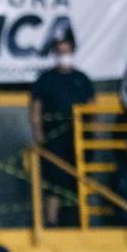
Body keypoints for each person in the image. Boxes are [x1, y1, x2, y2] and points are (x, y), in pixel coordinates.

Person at [30, 37, 94, 226]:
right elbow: (36, 108)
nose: (63, 56)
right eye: (60, 52)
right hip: (53, 140)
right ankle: (52, 222)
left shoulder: (81, 79)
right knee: (54, 184)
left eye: (66, 51)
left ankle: (79, 221)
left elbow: (92, 109)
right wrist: (39, 135)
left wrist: (91, 132)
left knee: (79, 182)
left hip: (78, 140)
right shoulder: (45, 79)